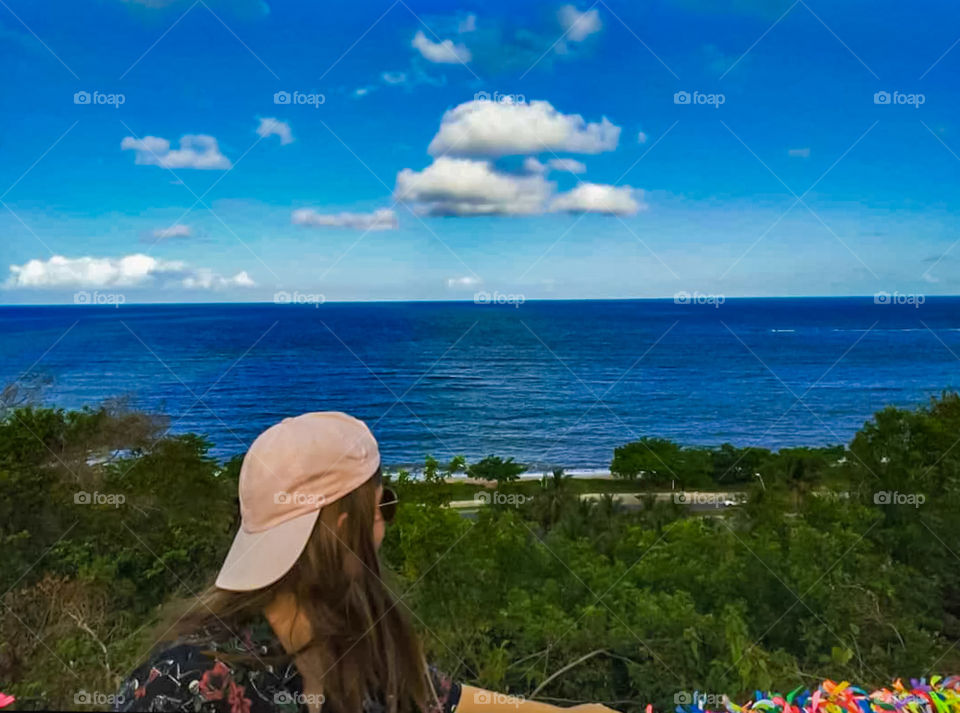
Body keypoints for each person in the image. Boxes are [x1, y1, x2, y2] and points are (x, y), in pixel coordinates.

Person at [114, 412, 619, 713]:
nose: (385, 528)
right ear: (341, 529)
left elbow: (442, 700)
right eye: (384, 507)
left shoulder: (356, 640)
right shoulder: (185, 685)